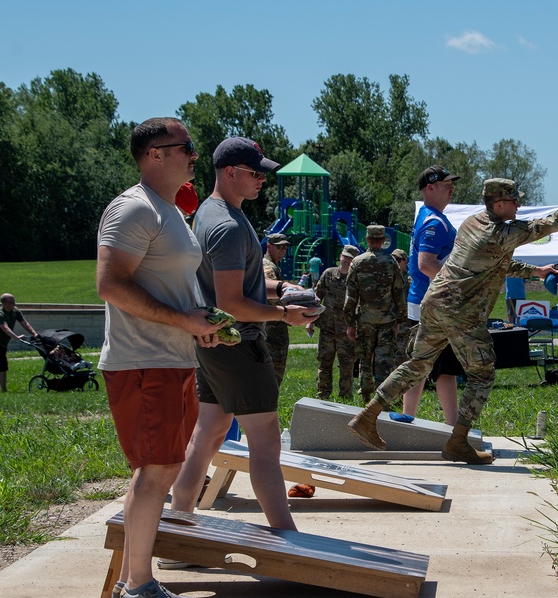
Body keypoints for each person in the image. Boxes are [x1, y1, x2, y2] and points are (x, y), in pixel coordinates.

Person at [347, 178, 558, 464]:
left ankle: (367, 417)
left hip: (434, 303)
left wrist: (537, 272)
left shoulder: (473, 223)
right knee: (482, 374)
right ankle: (457, 442)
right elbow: (552, 223)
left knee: (418, 364)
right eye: (514, 200)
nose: (518, 204)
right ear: (499, 203)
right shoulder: (501, 231)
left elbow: (497, 261)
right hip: (461, 310)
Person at [95, 117, 225, 598]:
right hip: (143, 361)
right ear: (155, 155)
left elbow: (171, 286)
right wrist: (183, 321)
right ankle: (138, 588)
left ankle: (136, 581)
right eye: (185, 147)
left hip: (170, 358)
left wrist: (201, 320)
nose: (195, 155)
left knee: (156, 470)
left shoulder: (167, 210)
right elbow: (110, 285)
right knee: (157, 472)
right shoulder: (133, 209)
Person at [168, 136, 313, 537]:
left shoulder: (210, 213)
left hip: (215, 345)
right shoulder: (229, 226)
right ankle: (288, 539)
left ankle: (179, 526)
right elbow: (231, 302)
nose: (261, 180)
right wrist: (286, 315)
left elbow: (225, 289)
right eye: (255, 173)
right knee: (265, 441)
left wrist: (277, 289)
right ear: (230, 173)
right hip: (237, 343)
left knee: (208, 434)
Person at [402, 165, 462, 424]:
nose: (452, 188)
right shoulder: (434, 221)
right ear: (430, 188)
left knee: (419, 366)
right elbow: (427, 264)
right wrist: (457, 288)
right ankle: (453, 430)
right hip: (436, 306)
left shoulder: (428, 216)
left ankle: (407, 419)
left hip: (424, 303)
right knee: (445, 370)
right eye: (446, 184)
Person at [344, 225, 407, 402]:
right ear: (382, 241)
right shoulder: (391, 262)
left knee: (365, 359)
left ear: (367, 240)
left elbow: (351, 296)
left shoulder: (357, 262)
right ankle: (381, 402)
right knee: (384, 360)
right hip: (387, 320)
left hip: (365, 320)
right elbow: (398, 293)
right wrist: (400, 318)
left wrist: (349, 322)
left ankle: (365, 397)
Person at [307, 245, 359, 399]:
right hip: (327, 329)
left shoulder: (356, 279)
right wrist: (309, 321)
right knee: (324, 364)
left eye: (350, 258)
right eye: (345, 257)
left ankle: (345, 397)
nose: (347, 261)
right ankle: (322, 395)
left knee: (346, 366)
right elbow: (316, 298)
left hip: (347, 331)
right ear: (340, 257)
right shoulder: (329, 274)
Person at [0, 293, 38, 392]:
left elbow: (24, 323)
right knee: (2, 366)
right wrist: (16, 337)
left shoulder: (15, 311)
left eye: (14, 301)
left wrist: (35, 334)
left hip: (3, 343)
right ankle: (4, 391)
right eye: (12, 302)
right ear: (5, 303)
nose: (14, 303)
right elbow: (5, 328)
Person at [261, 233, 292, 386]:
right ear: (268, 246)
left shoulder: (272, 265)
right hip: (272, 329)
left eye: (285, 247)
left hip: (274, 326)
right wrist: (293, 309)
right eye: (279, 247)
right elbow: (274, 298)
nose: (283, 250)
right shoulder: (268, 267)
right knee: (272, 376)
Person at [392, 248, 412, 369]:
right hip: (389, 322)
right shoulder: (387, 279)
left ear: (405, 262)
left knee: (402, 354)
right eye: (392, 260)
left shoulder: (409, 282)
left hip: (404, 325)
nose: (395, 263)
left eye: (398, 260)